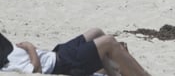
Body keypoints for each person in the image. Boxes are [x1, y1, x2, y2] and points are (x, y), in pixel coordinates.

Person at [0, 27, 151, 75]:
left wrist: (31, 49)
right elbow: (36, 70)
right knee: (109, 42)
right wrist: (30, 47)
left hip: (59, 52)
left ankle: (114, 71)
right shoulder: (9, 65)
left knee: (96, 32)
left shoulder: (8, 49)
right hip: (62, 63)